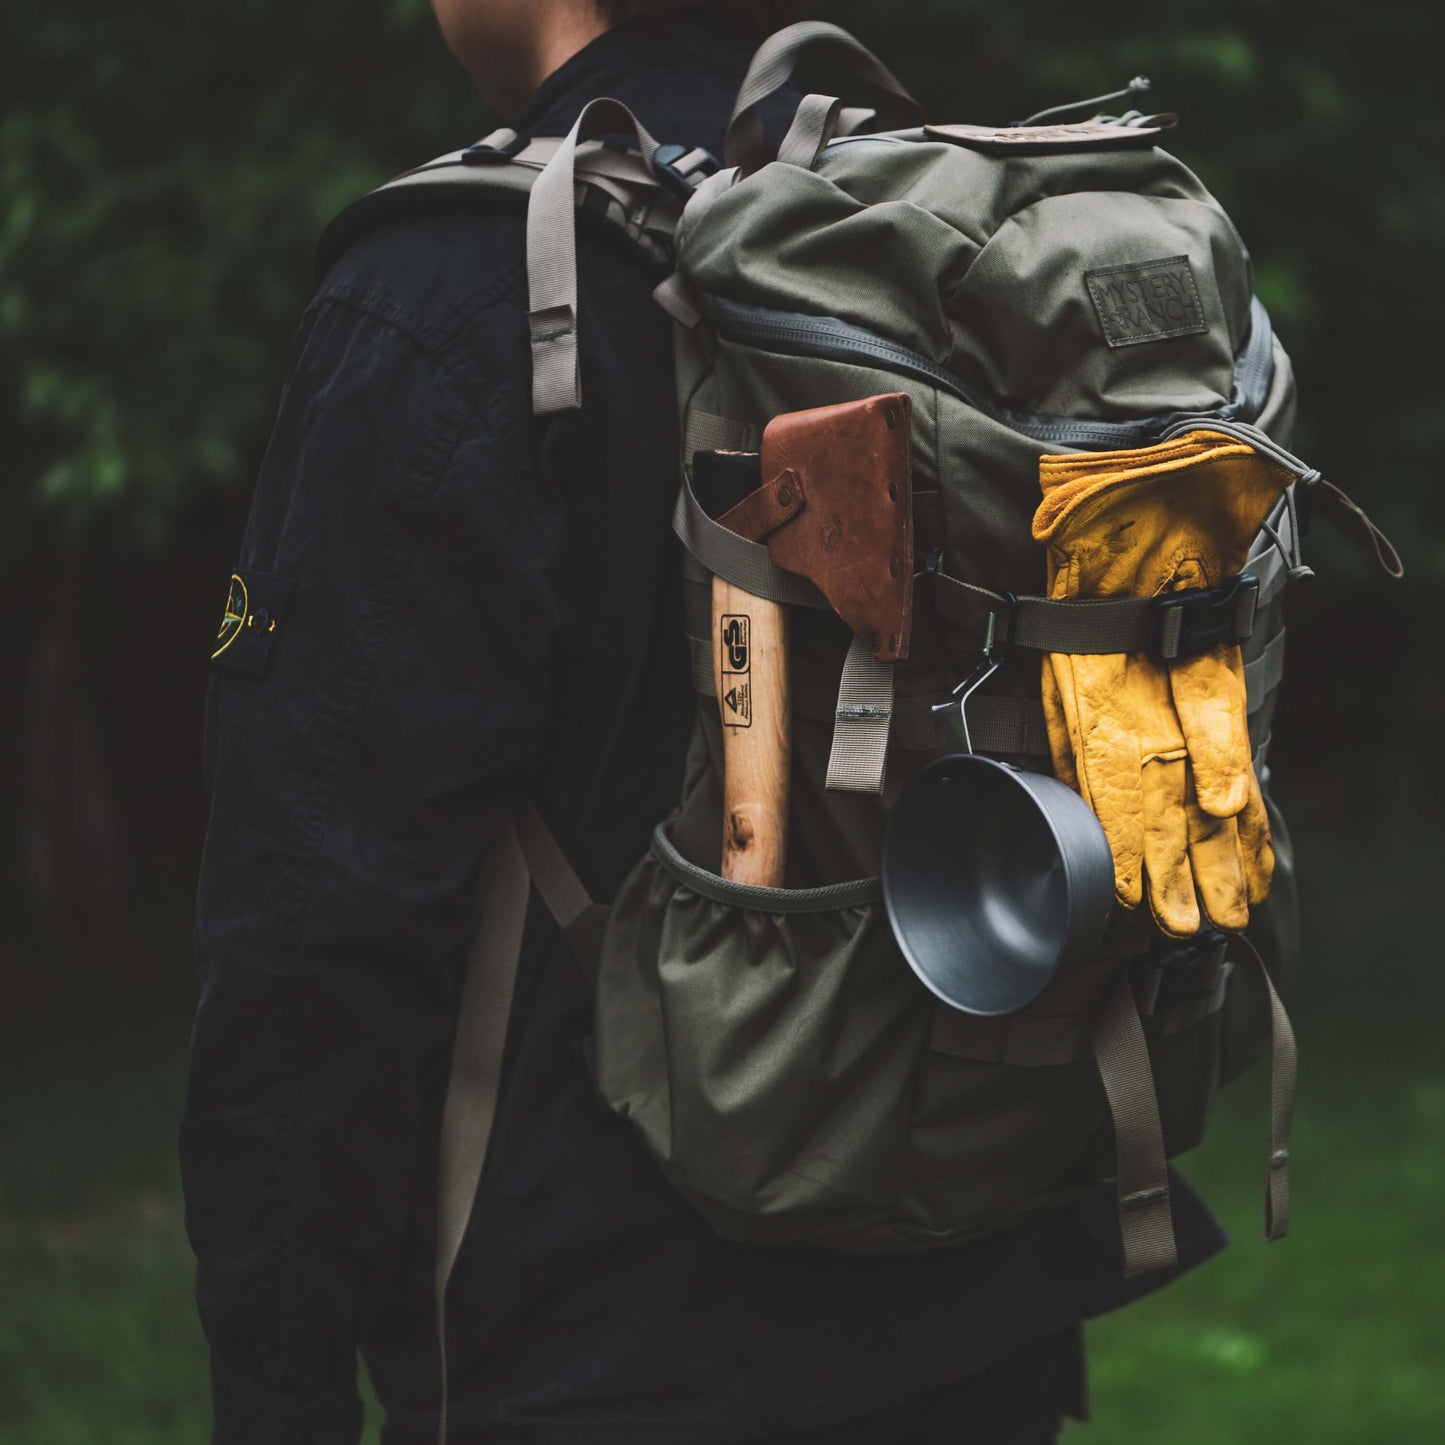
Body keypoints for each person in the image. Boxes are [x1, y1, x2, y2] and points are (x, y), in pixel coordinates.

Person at [180, 4, 1229, 1441]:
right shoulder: (943, 240)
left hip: (603, 1344)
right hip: (981, 1292)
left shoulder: (455, 281)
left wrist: (275, 1393)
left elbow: (310, 928)